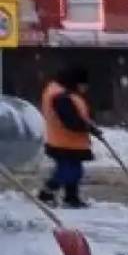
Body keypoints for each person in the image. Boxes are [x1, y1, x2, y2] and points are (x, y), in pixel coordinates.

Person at [38, 64, 101, 208]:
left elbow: (76, 117)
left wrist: (89, 126)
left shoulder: (60, 92)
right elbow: (71, 121)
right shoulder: (61, 97)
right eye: (83, 84)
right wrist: (88, 128)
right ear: (75, 82)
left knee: (71, 170)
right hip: (64, 142)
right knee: (70, 171)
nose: (85, 88)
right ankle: (47, 193)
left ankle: (71, 198)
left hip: (65, 141)